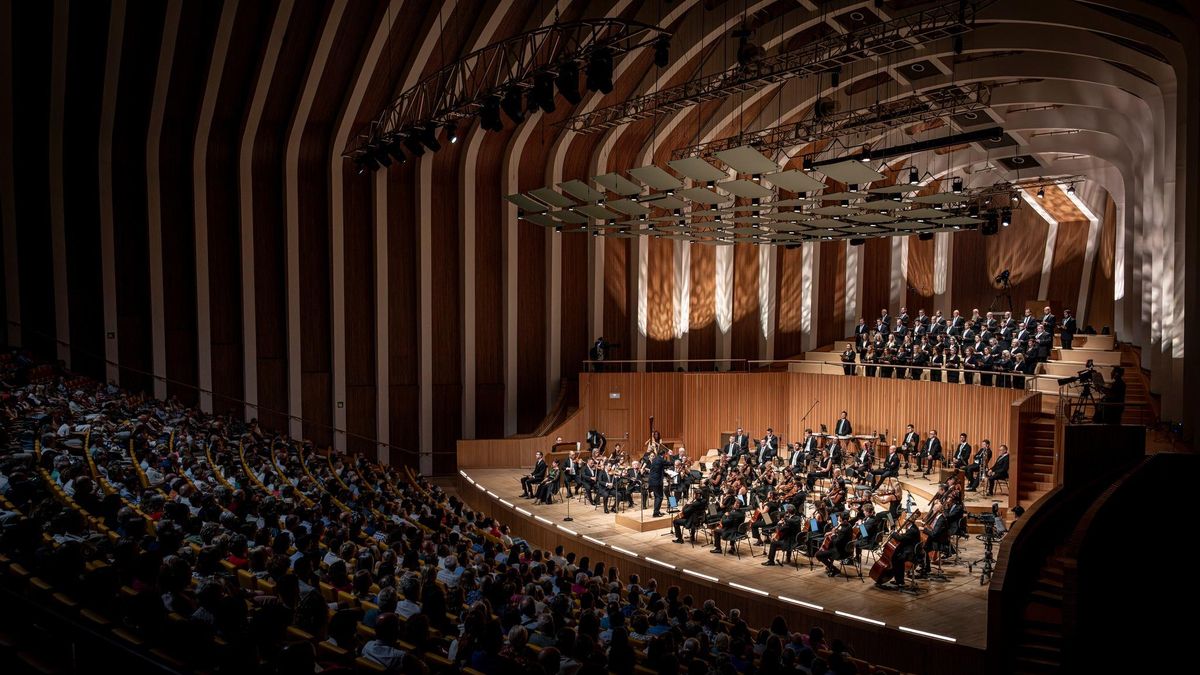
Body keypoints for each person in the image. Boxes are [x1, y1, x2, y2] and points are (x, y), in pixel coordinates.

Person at [648, 449, 666, 517]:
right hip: (658, 482)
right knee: (659, 497)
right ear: (663, 454)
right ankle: (656, 512)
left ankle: (657, 511)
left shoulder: (655, 459)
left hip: (654, 481)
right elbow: (669, 463)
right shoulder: (660, 459)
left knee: (657, 496)